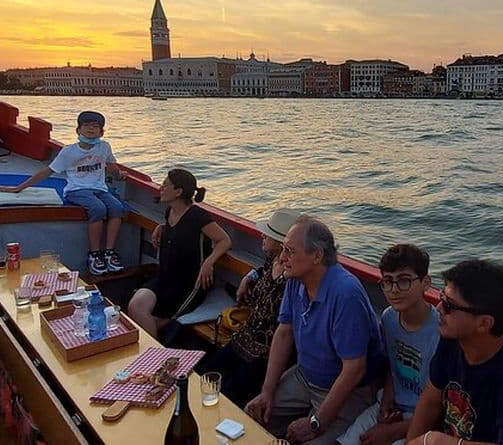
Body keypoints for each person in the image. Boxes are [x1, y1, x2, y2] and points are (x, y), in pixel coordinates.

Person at [246, 216, 385, 445]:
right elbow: (284, 333)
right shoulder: (296, 279)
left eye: (290, 251)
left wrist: (316, 422)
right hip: (306, 375)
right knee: (252, 416)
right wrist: (267, 392)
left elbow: (354, 369)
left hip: (347, 390)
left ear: (317, 255)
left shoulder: (345, 294)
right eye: (283, 250)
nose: (282, 258)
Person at [406, 260, 503, 445]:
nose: (439, 309)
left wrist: (443, 442)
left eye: (449, 305)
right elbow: (431, 399)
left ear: (484, 323)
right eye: (441, 298)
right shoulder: (452, 340)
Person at [0, 110, 127, 275]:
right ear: (78, 130)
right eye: (86, 126)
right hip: (76, 190)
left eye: (96, 127)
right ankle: (94, 255)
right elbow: (47, 171)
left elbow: (111, 165)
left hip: (99, 188)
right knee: (98, 208)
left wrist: (119, 175)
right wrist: (18, 188)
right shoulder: (69, 151)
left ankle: (109, 252)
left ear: (102, 132)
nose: (91, 130)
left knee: (117, 208)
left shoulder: (104, 147)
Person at [337, 244, 440, 445]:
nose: (394, 290)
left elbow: (440, 407)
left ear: (425, 283)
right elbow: (393, 369)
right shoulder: (389, 318)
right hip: (391, 404)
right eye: (387, 281)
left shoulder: (440, 331)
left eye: (404, 281)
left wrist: (392, 431)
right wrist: (386, 403)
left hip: (425, 417)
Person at [199, 208, 302, 407]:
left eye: (268, 235)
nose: (262, 236)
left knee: (228, 395)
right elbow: (263, 271)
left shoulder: (293, 277)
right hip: (244, 337)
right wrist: (250, 276)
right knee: (202, 375)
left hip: (264, 354)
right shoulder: (273, 260)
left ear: (282, 245)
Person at [127, 168, 231, 338]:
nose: (161, 188)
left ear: (178, 192)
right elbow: (176, 230)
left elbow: (224, 240)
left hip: (190, 284)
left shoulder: (198, 216)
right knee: (135, 306)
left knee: (152, 322)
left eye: (165, 185)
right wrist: (161, 228)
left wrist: (209, 262)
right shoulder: (170, 212)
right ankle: (152, 353)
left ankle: (154, 358)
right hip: (165, 278)